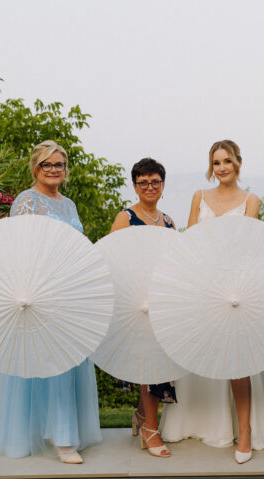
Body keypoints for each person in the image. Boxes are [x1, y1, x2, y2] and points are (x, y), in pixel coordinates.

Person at [159, 140, 264, 463]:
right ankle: (195, 422)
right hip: (201, 284)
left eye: (227, 161)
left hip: (233, 284)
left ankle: (245, 432)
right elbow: (190, 241)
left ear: (238, 163)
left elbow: (249, 245)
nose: (222, 167)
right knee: (195, 350)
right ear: (211, 167)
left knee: (237, 358)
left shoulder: (250, 200)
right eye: (216, 162)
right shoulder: (199, 197)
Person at [0, 140, 101, 464]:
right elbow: (18, 247)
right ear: (36, 168)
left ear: (66, 170)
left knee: (69, 360)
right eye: (46, 165)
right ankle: (61, 438)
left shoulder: (70, 205)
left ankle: (63, 429)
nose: (53, 170)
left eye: (59, 165)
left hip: (70, 290)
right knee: (48, 362)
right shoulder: (26, 200)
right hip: (40, 290)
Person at [109, 157, 176, 458]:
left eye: (155, 182)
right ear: (135, 186)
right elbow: (113, 258)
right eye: (143, 182)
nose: (150, 187)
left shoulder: (169, 222)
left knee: (160, 363)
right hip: (136, 300)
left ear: (162, 185)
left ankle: (140, 415)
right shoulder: (126, 218)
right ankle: (151, 428)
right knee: (149, 364)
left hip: (162, 299)